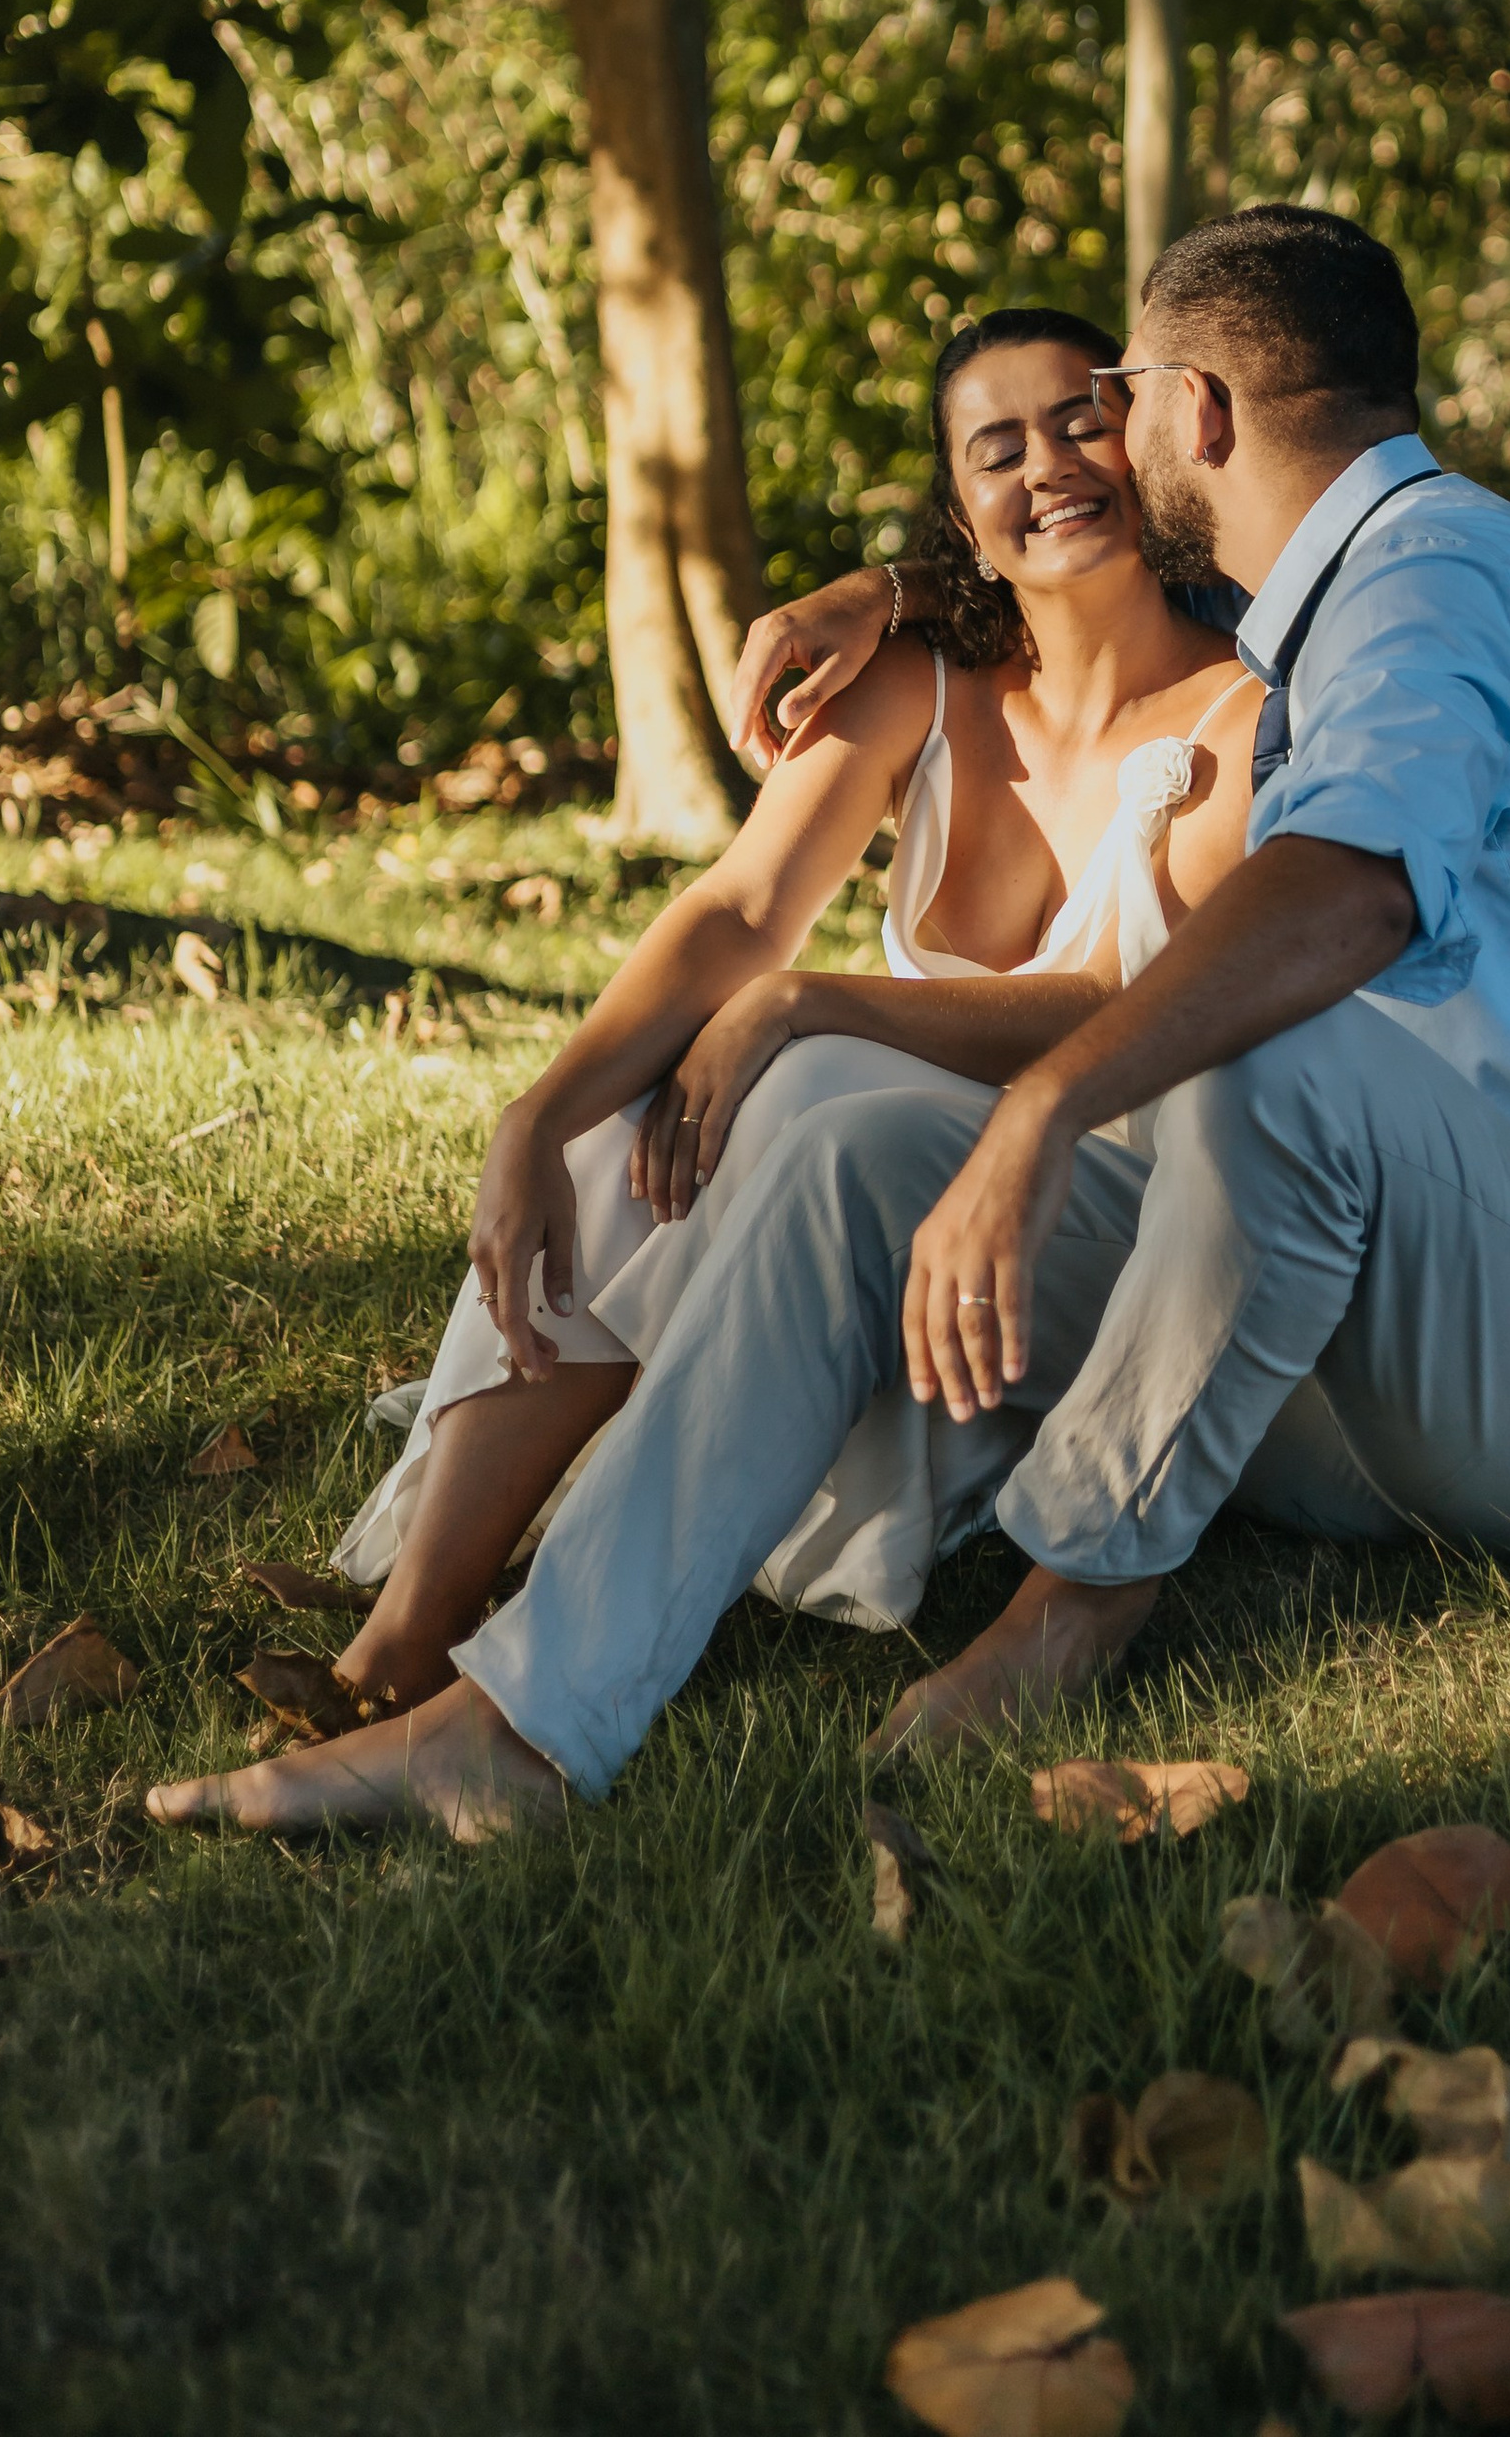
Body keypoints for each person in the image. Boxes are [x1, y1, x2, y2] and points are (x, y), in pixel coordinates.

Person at [156, 207, 1510, 1840]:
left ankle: (1066, 1616)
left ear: (1196, 415)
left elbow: (1348, 894)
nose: (1103, 429)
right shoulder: (1341, 594)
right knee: (857, 1151)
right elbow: (1044, 583)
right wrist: (891, 584)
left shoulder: (1432, 584)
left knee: (1272, 1046)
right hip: (1348, 1353)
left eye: (1123, 393)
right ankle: (521, 1723)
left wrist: (1045, 1108)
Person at [147, 304, 1262, 1828]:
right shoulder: (916, 676)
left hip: (1063, 1229)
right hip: (840, 1203)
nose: (1051, 467)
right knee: (640, 1114)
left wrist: (808, 1005)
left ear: (1143, 436)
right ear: (960, 516)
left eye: (1081, 422)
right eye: (997, 449)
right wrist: (537, 1114)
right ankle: (405, 1644)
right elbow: (740, 906)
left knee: (787, 1082)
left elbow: (1101, 1002)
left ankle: (511, 1700)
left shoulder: (1235, 714)